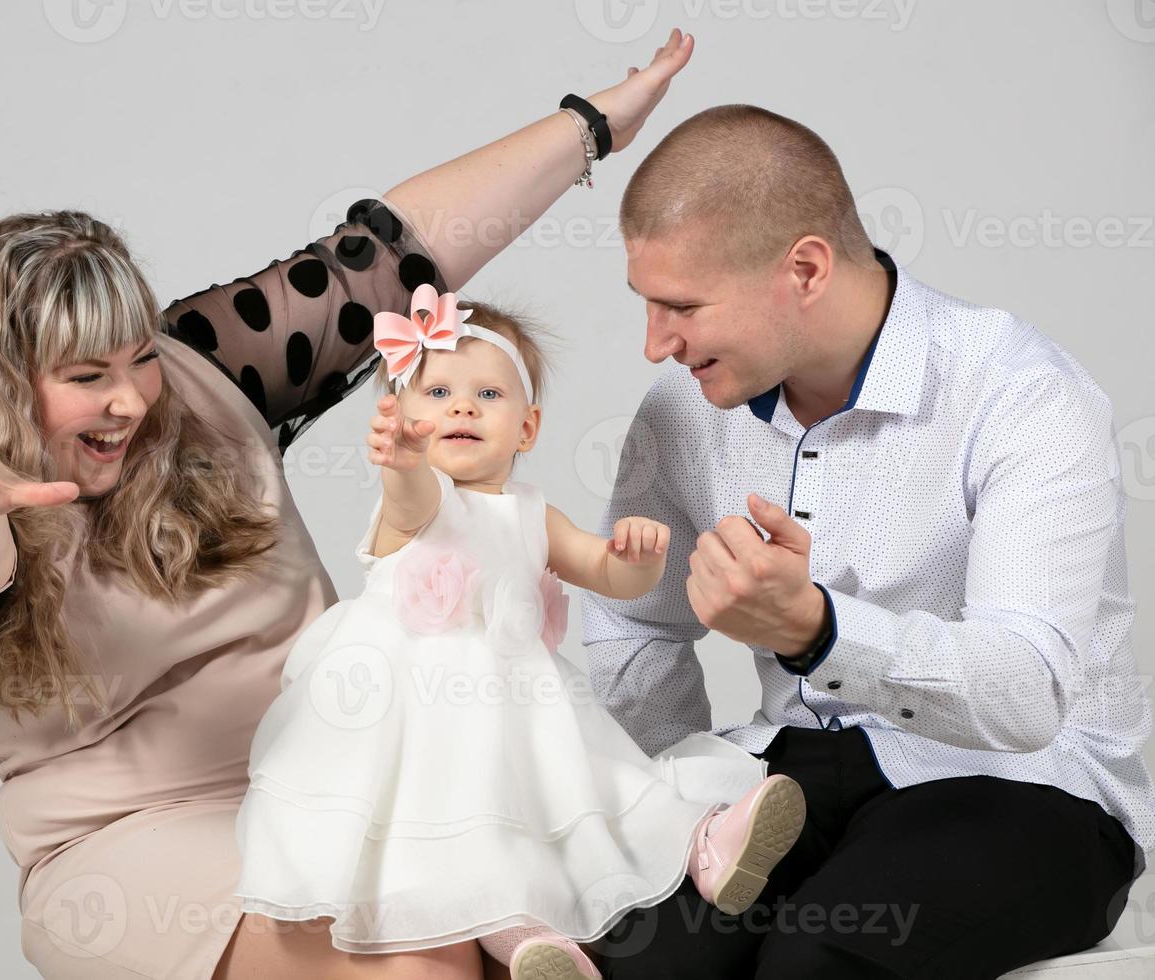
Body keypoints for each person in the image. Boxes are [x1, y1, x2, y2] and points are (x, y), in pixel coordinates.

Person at [0, 30, 701, 980]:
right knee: (418, 962)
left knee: (628, 906)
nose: (129, 400)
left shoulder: (204, 372)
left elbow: (391, 258)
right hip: (132, 845)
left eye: (137, 360)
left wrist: (593, 126)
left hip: (346, 777)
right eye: (85, 376)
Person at [582, 103, 1155, 979]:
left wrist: (818, 630)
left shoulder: (1021, 394)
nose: (656, 344)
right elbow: (636, 626)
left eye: (682, 306)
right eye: (646, 304)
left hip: (1023, 785)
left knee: (818, 959)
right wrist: (682, 802)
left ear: (804, 268)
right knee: (632, 956)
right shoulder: (680, 415)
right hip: (786, 780)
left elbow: (1027, 692)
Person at [232, 287, 807, 980]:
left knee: (598, 788)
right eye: (437, 390)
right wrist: (402, 465)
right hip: (411, 711)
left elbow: (605, 576)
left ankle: (704, 845)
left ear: (527, 429)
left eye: (487, 395)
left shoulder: (535, 513)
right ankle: (531, 946)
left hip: (519, 699)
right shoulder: (415, 502)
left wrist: (639, 560)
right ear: (406, 417)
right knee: (460, 825)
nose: (462, 407)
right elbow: (411, 502)